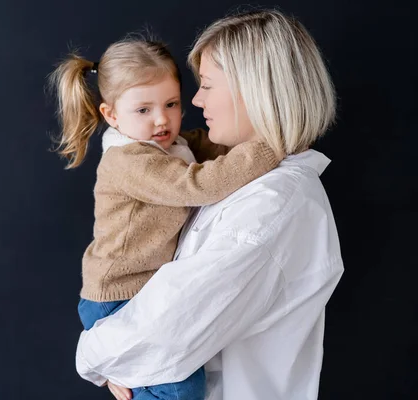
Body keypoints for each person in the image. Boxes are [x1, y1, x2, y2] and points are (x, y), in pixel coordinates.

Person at [75, 9, 343, 400]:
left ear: (255, 90)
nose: (195, 101)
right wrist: (120, 358)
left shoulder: (270, 206)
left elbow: (165, 329)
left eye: (207, 85)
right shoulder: (233, 173)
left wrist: (92, 354)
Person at [48, 35, 281, 399]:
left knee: (168, 378)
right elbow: (199, 185)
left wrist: (274, 133)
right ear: (111, 115)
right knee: (178, 388)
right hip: (117, 293)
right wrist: (270, 149)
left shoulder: (173, 145)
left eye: (171, 104)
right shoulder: (129, 161)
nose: (161, 120)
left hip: (143, 288)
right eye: (143, 110)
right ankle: (120, 367)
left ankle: (122, 369)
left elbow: (216, 145)